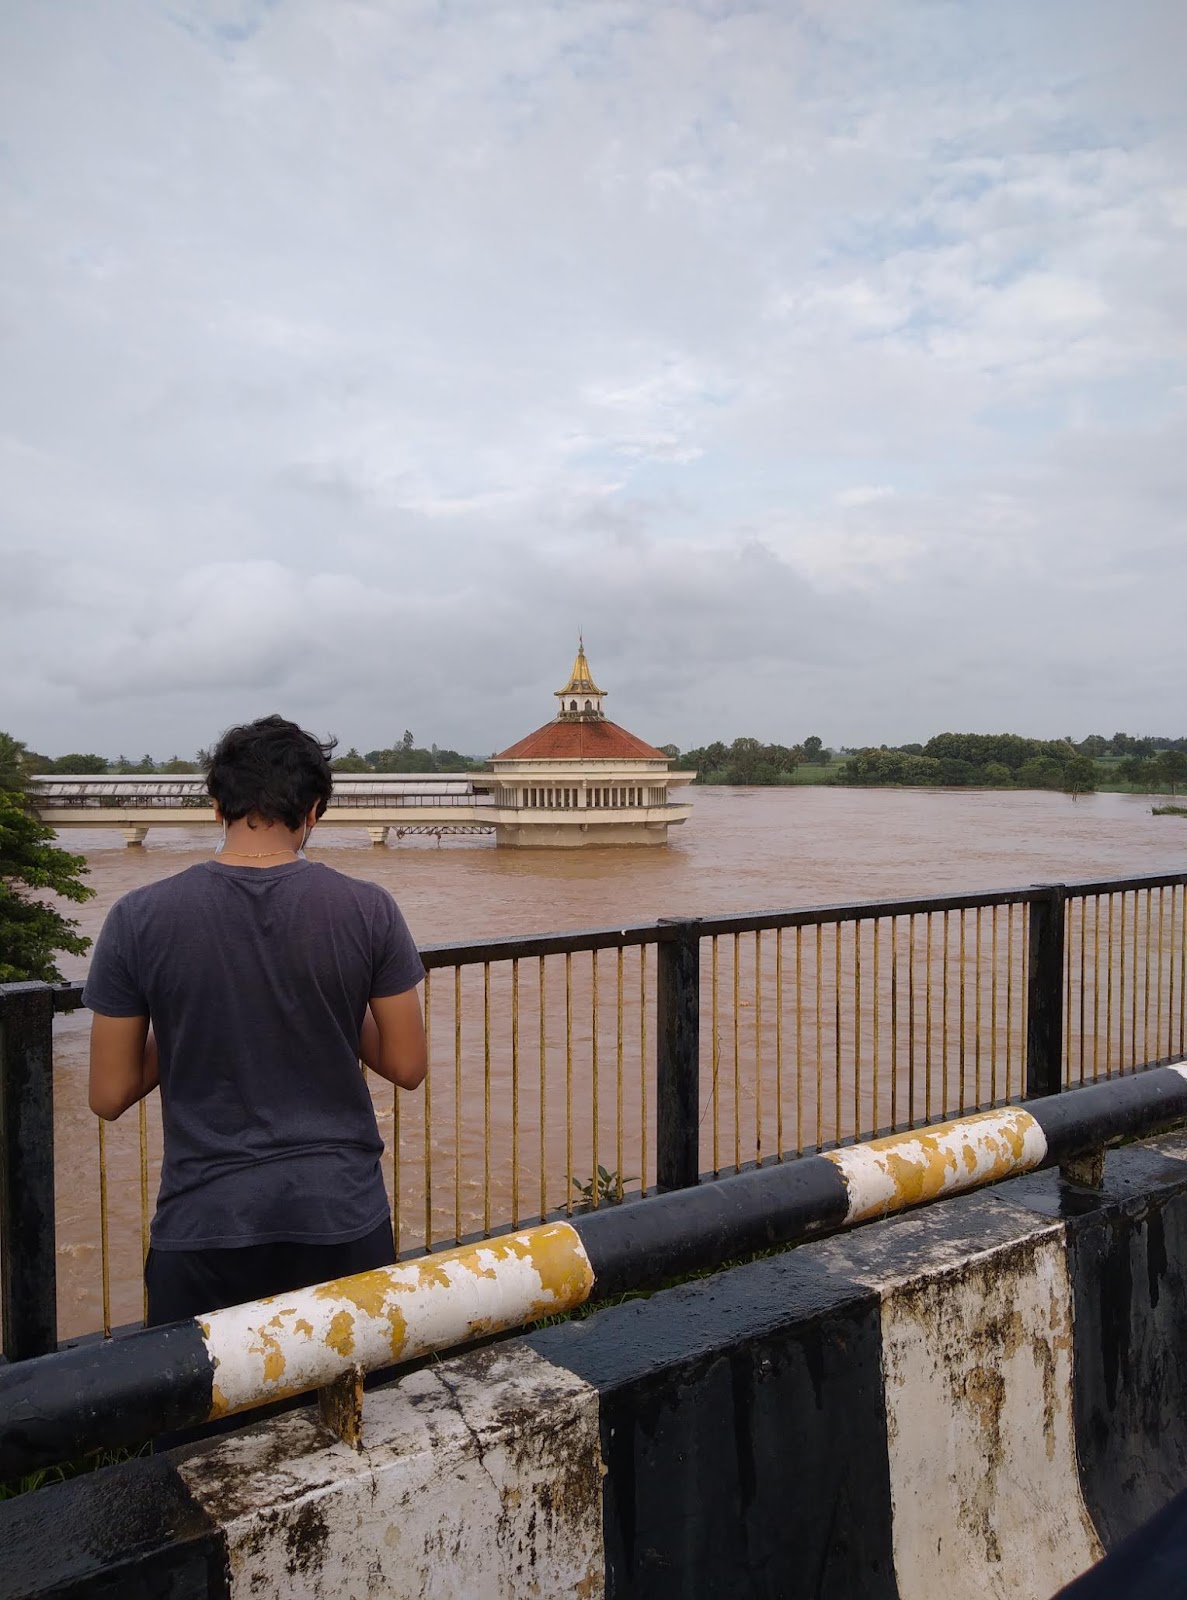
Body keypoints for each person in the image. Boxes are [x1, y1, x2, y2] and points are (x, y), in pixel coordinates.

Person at [83, 714, 427, 1327]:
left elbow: (108, 1096)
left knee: (204, 1420)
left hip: (203, 1226)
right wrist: (322, 1004)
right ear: (314, 810)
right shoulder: (368, 910)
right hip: (341, 1216)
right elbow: (405, 1065)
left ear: (217, 806)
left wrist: (187, 1019)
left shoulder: (138, 917)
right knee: (351, 1417)